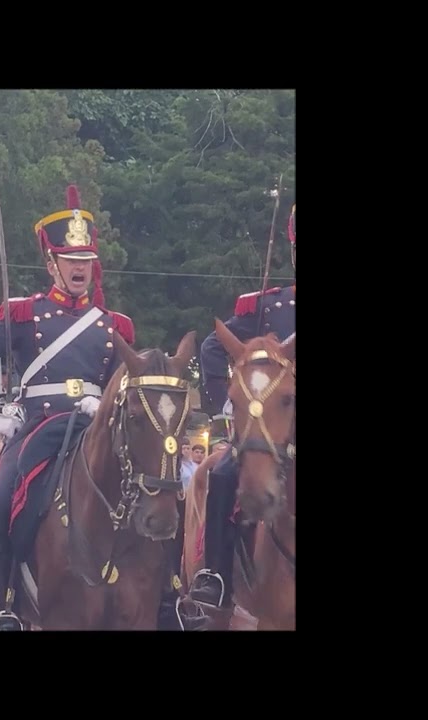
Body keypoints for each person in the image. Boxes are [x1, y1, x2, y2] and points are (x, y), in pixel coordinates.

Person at [0, 184, 135, 631]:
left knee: (157, 495)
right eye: (70, 261)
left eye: (86, 262)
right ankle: (2, 603)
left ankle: (168, 590)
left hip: (98, 430)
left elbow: (131, 379)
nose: (79, 270)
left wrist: (107, 400)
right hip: (38, 426)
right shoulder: (22, 313)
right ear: (51, 263)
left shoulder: (115, 326)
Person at [177, 203, 295, 631]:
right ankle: (217, 580)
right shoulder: (268, 305)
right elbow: (212, 347)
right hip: (274, 429)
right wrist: (231, 409)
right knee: (223, 475)